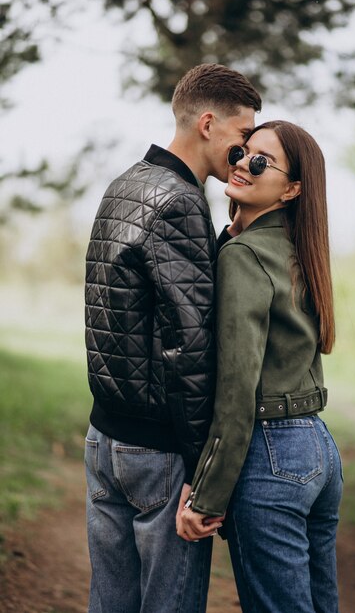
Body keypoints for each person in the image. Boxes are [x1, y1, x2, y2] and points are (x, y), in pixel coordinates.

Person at [84, 63, 262, 613]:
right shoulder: (181, 201)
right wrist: (200, 467)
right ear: (208, 123)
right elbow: (188, 348)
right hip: (158, 452)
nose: (243, 154)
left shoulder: (125, 184)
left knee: (109, 602)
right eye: (240, 138)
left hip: (103, 440)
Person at [178, 120, 344, 613]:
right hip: (318, 449)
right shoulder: (299, 251)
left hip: (271, 454)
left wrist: (204, 498)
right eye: (242, 152)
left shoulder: (245, 256)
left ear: (292, 189)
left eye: (260, 162)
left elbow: (237, 391)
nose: (242, 165)